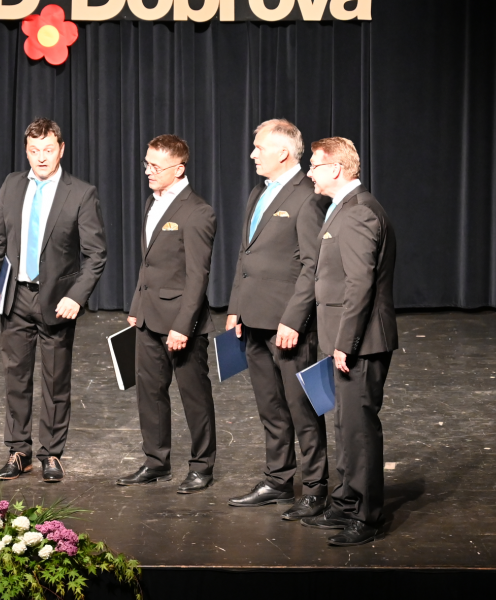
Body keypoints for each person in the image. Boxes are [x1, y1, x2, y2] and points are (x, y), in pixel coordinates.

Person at [0, 118, 107, 483]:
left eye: (48, 150)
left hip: (57, 301)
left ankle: (51, 453)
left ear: (61, 149)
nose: (41, 157)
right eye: (34, 151)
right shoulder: (12, 184)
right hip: (15, 296)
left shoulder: (81, 193)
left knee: (55, 381)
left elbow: (96, 254)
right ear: (26, 151)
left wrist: (76, 297)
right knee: (16, 378)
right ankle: (19, 452)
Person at [224, 119, 332, 520]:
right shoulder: (259, 192)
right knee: (270, 407)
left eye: (259, 148)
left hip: (289, 327)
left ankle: (317, 488)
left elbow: (312, 265)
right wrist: (235, 307)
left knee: (303, 409)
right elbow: (246, 255)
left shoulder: (308, 197)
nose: (253, 154)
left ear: (283, 153)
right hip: (253, 319)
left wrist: (294, 319)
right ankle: (278, 480)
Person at [299, 137, 398, 547]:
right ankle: (346, 501)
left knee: (358, 428)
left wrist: (346, 341)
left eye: (315, 166)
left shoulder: (359, 212)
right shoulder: (342, 208)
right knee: (344, 424)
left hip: (361, 341)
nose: (309, 173)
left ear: (337, 168)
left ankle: (367, 515)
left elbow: (360, 284)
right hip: (345, 337)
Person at [116, 134, 218, 493]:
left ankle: (202, 467)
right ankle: (156, 462)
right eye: (147, 164)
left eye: (156, 166)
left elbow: (197, 277)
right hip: (148, 318)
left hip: (180, 323)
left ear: (179, 169)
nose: (148, 171)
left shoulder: (198, 212)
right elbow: (148, 265)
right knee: (149, 392)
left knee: (194, 396)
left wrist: (183, 326)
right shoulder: (152, 202)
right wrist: (136, 307)